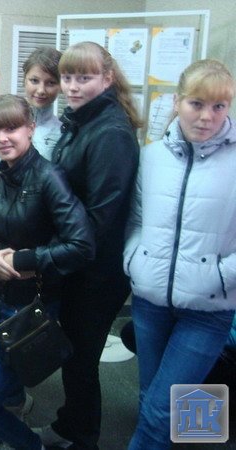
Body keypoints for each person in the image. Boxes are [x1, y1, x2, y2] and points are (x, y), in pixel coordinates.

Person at [0, 94, 94, 450]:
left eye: (11, 128)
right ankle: (15, 408)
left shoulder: (49, 178)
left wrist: (24, 260)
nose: (2, 139)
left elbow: (82, 246)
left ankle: (33, 445)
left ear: (30, 128)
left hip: (28, 311)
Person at [123, 59, 236, 450]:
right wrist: (135, 260)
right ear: (177, 102)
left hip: (208, 308)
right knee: (152, 398)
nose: (207, 116)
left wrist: (219, 276)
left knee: (161, 410)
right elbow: (136, 218)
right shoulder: (152, 156)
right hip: (150, 300)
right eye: (196, 104)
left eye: (219, 106)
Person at [34, 41, 142, 450]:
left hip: (96, 271)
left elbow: (100, 218)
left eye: (84, 77)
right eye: (67, 77)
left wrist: (53, 258)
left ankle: (81, 438)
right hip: (80, 264)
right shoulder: (83, 121)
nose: (73, 87)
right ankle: (71, 425)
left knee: (81, 359)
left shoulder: (110, 132)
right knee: (76, 357)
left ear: (107, 78)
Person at [0, 46, 62, 200]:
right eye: (34, 81)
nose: (41, 90)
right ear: (24, 80)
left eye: (51, 83)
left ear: (61, 86)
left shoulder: (61, 133)